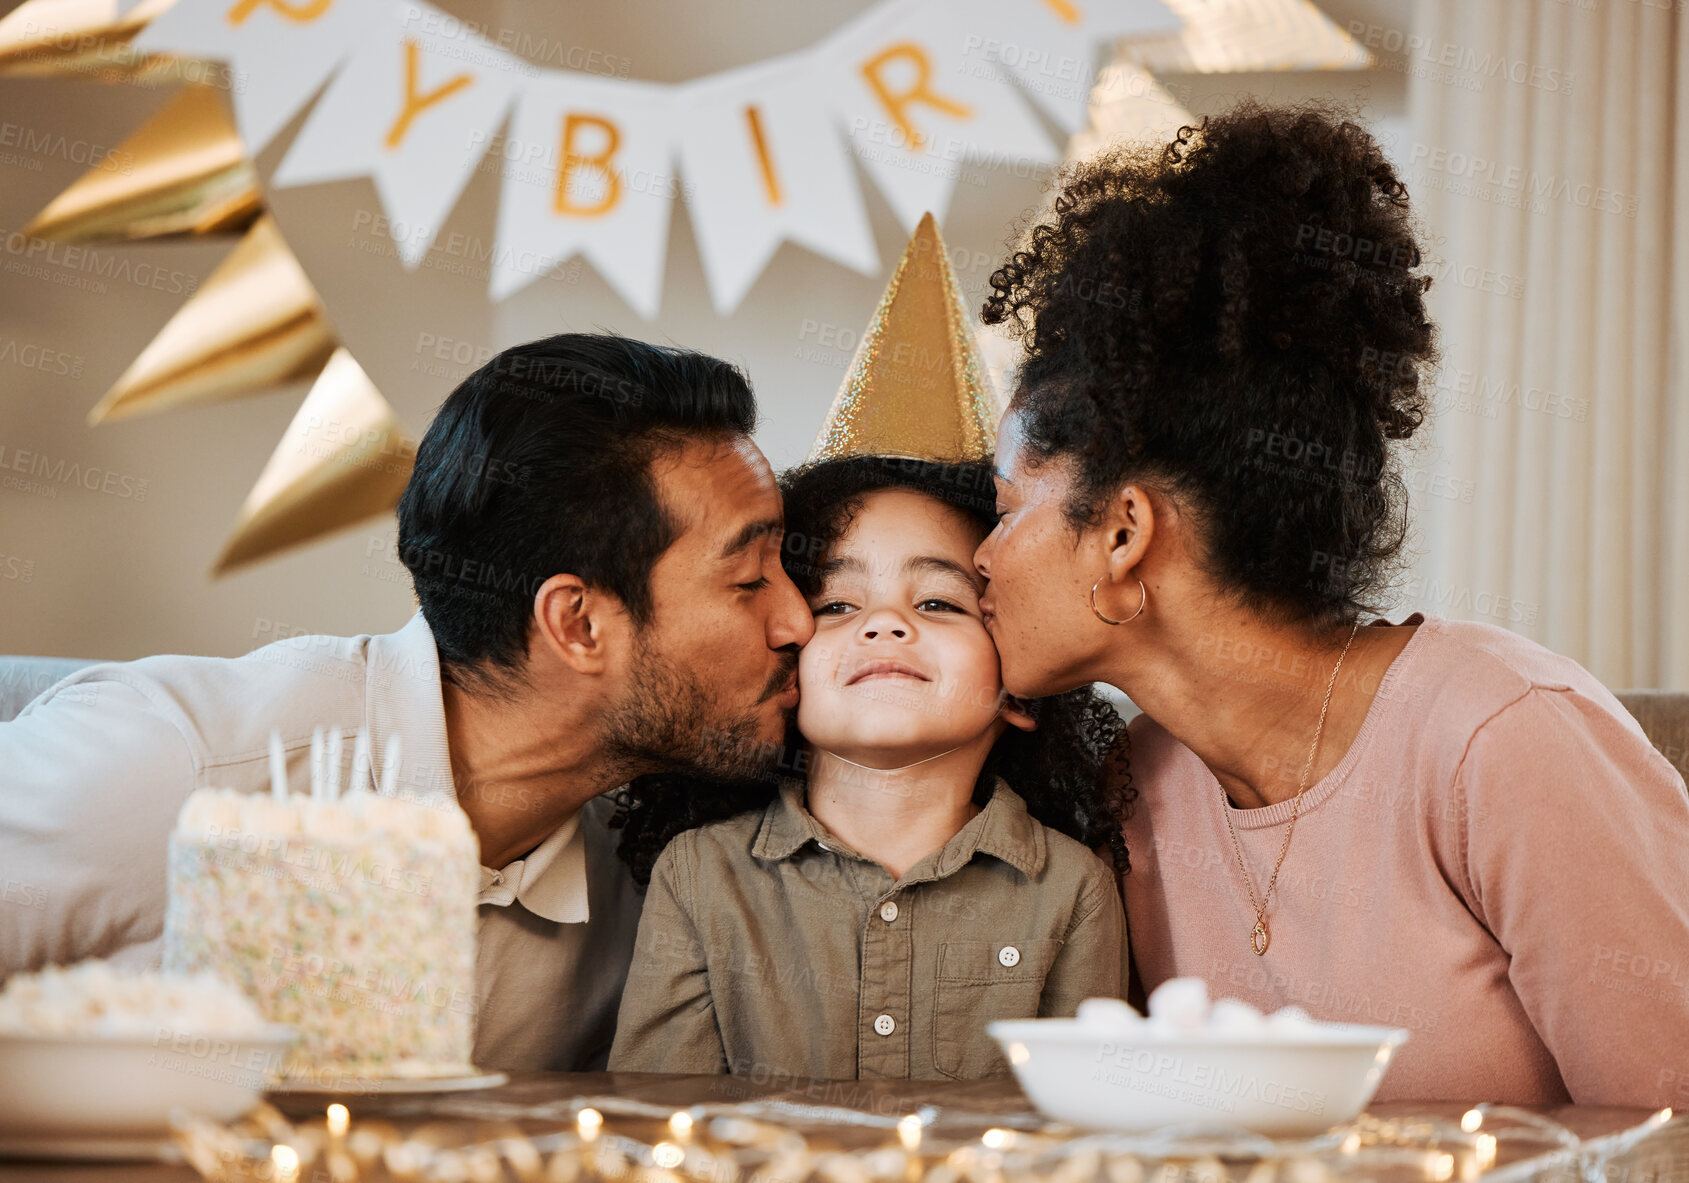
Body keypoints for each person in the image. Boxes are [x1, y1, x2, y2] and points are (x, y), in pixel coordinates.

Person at [971, 100, 1689, 1106]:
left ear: (1125, 533)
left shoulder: (1507, 739)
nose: (980, 560)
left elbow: (1669, 1141)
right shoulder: (1136, 793)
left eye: (1004, 512)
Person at [0, 333, 813, 1071]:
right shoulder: (172, 759)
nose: (797, 619)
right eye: (749, 581)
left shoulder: (656, 880)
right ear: (578, 623)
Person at [607, 455, 1131, 1080]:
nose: (884, 624)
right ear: (785, 669)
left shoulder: (1073, 888)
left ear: (1017, 687)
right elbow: (649, 1127)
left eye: (939, 602)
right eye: (835, 607)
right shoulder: (699, 875)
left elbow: (1079, 1130)